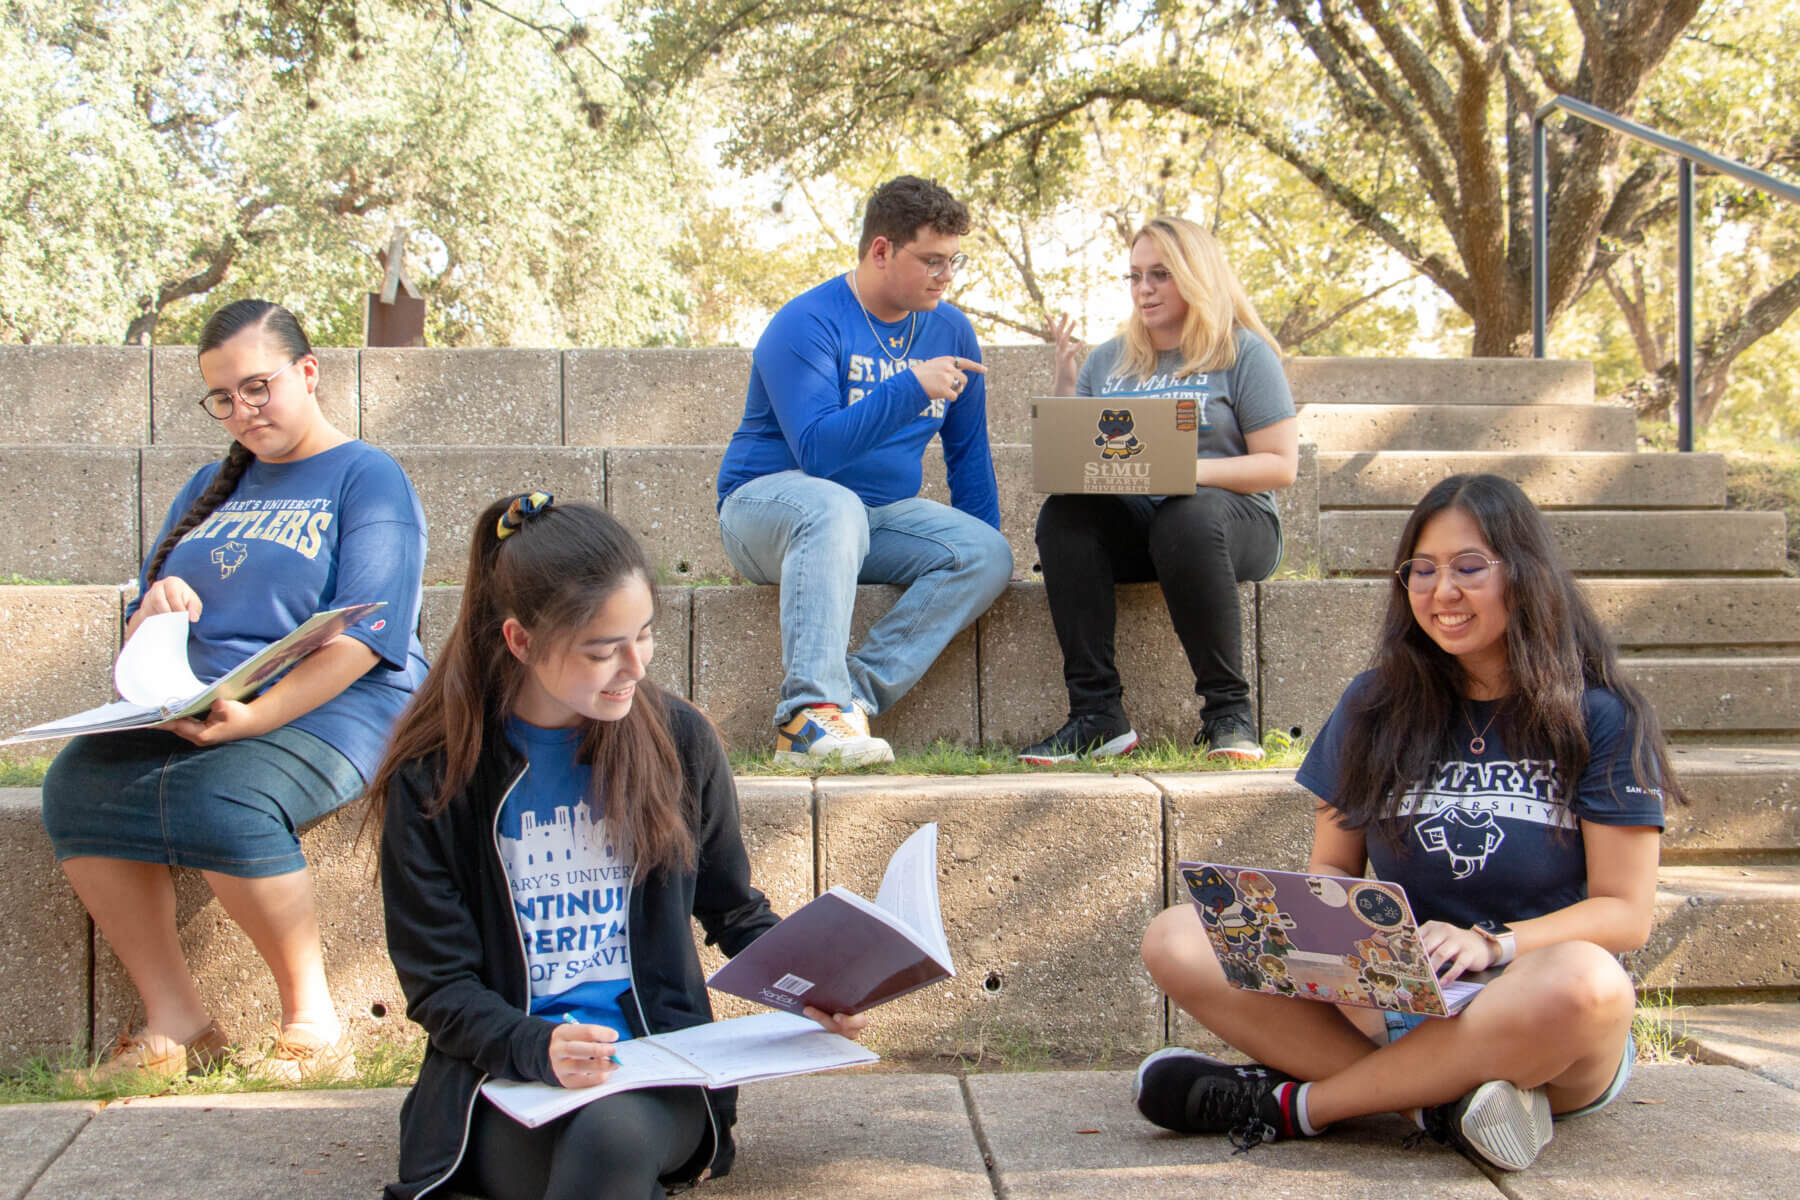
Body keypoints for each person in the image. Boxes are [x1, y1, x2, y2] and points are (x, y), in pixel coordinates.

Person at [1133, 473, 1680, 1172]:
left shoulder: (1599, 716)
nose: (1441, 591)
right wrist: (1354, 955)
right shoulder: (1375, 704)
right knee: (1181, 935)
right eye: (1422, 570)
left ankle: (1299, 1106)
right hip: (1394, 998)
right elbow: (1332, 867)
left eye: (1469, 567)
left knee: (1589, 981)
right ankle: (1440, 1110)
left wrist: (1493, 945)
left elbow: (1626, 915)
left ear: (1527, 576)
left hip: (1536, 1011)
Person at [372, 495, 868, 1200]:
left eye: (644, 635)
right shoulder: (438, 775)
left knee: (611, 1139)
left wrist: (815, 986)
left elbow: (731, 909)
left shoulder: (678, 741)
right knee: (581, 1160)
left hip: (657, 1066)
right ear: (519, 641)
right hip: (506, 1073)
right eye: (603, 650)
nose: (634, 666)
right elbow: (439, 985)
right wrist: (534, 1045)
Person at [40, 298, 429, 1085]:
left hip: (335, 704)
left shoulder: (368, 477)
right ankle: (178, 1023)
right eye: (223, 397)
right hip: (199, 697)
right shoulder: (207, 485)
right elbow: (144, 616)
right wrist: (154, 614)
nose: (242, 411)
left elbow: (362, 637)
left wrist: (254, 717)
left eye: (259, 387)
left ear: (308, 372)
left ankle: (312, 1026)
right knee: (76, 786)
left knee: (225, 795)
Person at [716, 175, 1013, 767]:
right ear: (881, 250)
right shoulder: (806, 323)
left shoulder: (950, 328)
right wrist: (910, 386)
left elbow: (968, 454)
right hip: (769, 512)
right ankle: (806, 718)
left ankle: (848, 701)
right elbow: (818, 453)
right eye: (931, 260)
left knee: (987, 553)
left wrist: (988, 541)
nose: (945, 276)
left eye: (953, 261)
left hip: (873, 520)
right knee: (834, 503)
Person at [1019, 216, 1297, 766]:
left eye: (1161, 275)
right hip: (1142, 527)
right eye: (1135, 276)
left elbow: (1280, 465)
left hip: (1230, 524)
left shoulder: (1242, 353)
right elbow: (1081, 460)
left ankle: (1228, 716)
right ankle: (1097, 716)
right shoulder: (1109, 359)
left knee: (1186, 516)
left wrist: (1185, 471)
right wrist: (1067, 386)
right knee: (1064, 515)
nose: (1144, 289)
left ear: (1195, 276)